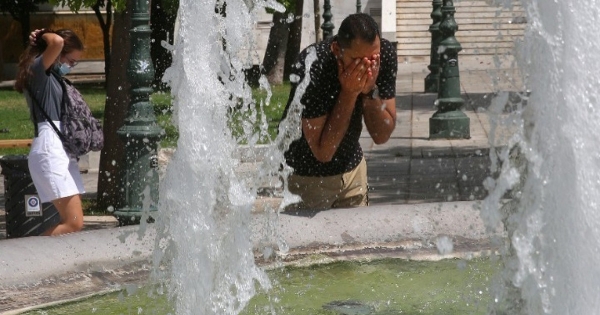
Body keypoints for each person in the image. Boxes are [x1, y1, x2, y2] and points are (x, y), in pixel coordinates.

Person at [281, 13, 398, 211]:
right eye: (358, 60)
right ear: (337, 50)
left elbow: (382, 135)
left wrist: (370, 91)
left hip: (353, 171)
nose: (367, 67)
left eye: (372, 59)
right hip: (308, 178)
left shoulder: (383, 55)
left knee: (361, 240)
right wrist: (350, 93)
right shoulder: (312, 66)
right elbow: (323, 152)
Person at [14, 28, 85, 235]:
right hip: (49, 148)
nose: (70, 67)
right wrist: (42, 33)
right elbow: (56, 41)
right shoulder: (38, 72)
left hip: (60, 149)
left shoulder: (51, 77)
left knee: (74, 222)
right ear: (56, 55)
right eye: (70, 61)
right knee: (73, 223)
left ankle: (53, 262)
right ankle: (28, 259)